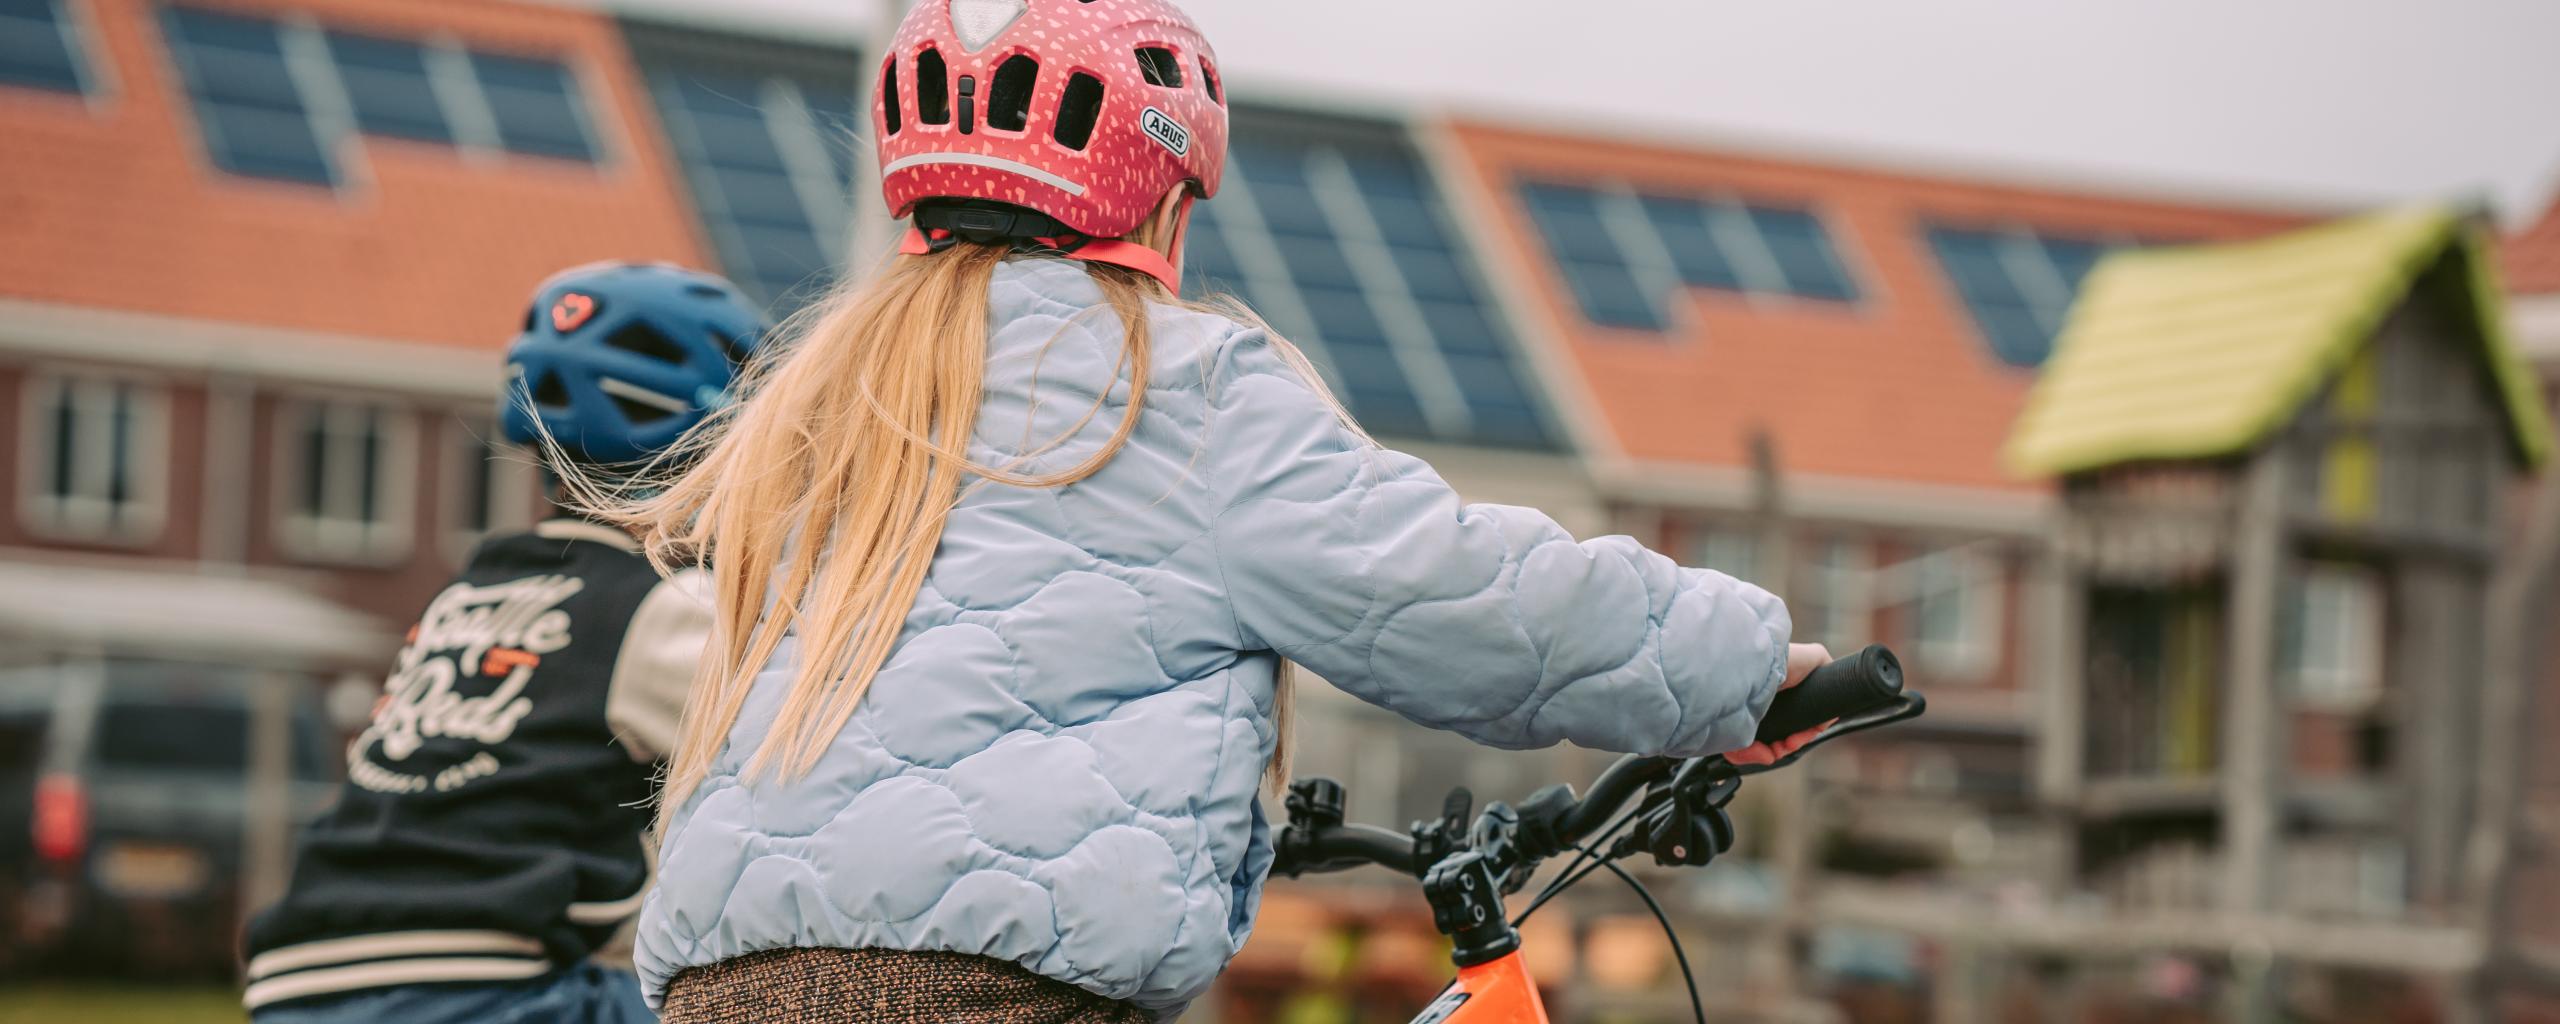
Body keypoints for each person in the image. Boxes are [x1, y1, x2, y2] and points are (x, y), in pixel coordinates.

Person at [600, 2, 1834, 1021]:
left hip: (724, 986)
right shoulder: (1178, 387)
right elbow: (1449, 594)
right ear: (1158, 199)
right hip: (997, 992)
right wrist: (1738, 666)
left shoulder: (823, 403)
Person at [240, 262, 770, 1024]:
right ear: (722, 446)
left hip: (299, 980)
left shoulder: (469, 592)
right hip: (486, 986)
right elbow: (798, 757)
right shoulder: (667, 609)